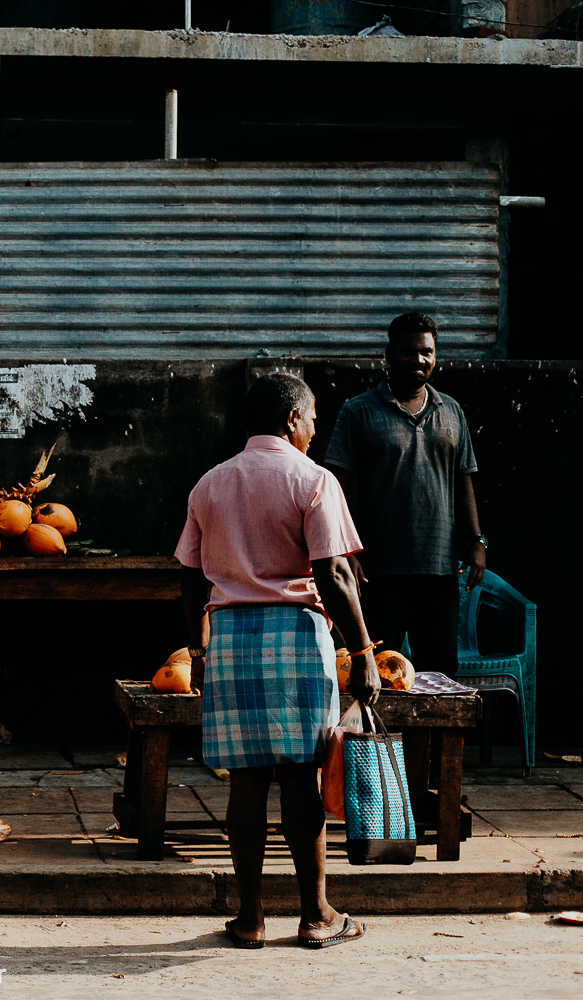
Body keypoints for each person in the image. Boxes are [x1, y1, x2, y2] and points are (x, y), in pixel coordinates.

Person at [175, 373, 381, 950]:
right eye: (314, 416)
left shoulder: (210, 484)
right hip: (296, 636)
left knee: (245, 782)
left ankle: (249, 918)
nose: (316, 427)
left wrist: (196, 646)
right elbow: (335, 574)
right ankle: (316, 915)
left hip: (231, 639)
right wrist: (363, 649)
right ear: (292, 418)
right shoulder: (313, 480)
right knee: (298, 779)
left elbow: (190, 577)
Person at [323, 312, 485, 678]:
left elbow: (464, 479)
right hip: (377, 570)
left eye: (427, 352)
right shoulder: (358, 411)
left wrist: (476, 540)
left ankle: (430, 741)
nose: (419, 360)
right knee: (378, 675)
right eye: (409, 352)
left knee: (439, 675)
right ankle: (379, 740)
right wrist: (346, 551)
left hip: (439, 568)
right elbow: (336, 487)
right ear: (389, 355)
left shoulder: (452, 411)